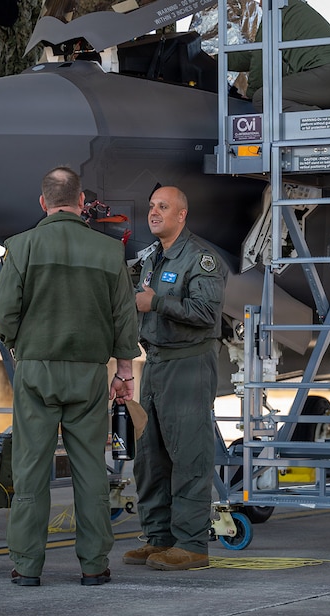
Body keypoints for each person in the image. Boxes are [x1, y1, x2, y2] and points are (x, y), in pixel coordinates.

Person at [0, 166, 140, 587]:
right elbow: (124, 318)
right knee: (91, 468)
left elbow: (1, 313)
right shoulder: (109, 251)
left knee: (31, 467)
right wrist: (124, 371)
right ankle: (94, 565)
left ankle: (27, 565)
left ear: (43, 202)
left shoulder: (21, 246)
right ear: (80, 203)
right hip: (90, 374)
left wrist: (23, 347)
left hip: (36, 369)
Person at [124, 186, 227, 571]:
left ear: (181, 215)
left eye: (163, 207)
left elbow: (206, 314)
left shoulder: (201, 259)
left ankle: (191, 544)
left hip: (188, 364)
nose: (154, 212)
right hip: (155, 364)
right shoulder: (153, 258)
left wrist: (157, 303)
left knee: (189, 456)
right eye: (151, 206)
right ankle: (160, 539)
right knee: (150, 457)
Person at [226, 0, 330, 112]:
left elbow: (262, 56)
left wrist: (252, 93)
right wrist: (220, 59)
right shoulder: (295, 11)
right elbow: (256, 53)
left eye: (260, 1)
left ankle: (322, 123)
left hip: (329, 74)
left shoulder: (277, 10)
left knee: (263, 98)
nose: (260, 5)